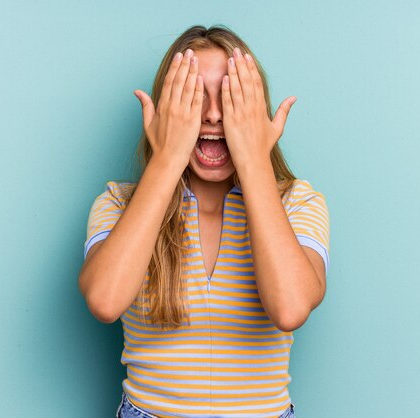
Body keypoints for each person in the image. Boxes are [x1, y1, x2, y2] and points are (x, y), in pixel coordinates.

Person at [79, 24, 330, 418]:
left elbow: (290, 309)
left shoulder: (298, 203)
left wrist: (253, 156)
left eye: (231, 99)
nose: (213, 115)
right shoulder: (117, 203)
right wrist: (166, 156)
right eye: (194, 98)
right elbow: (105, 301)